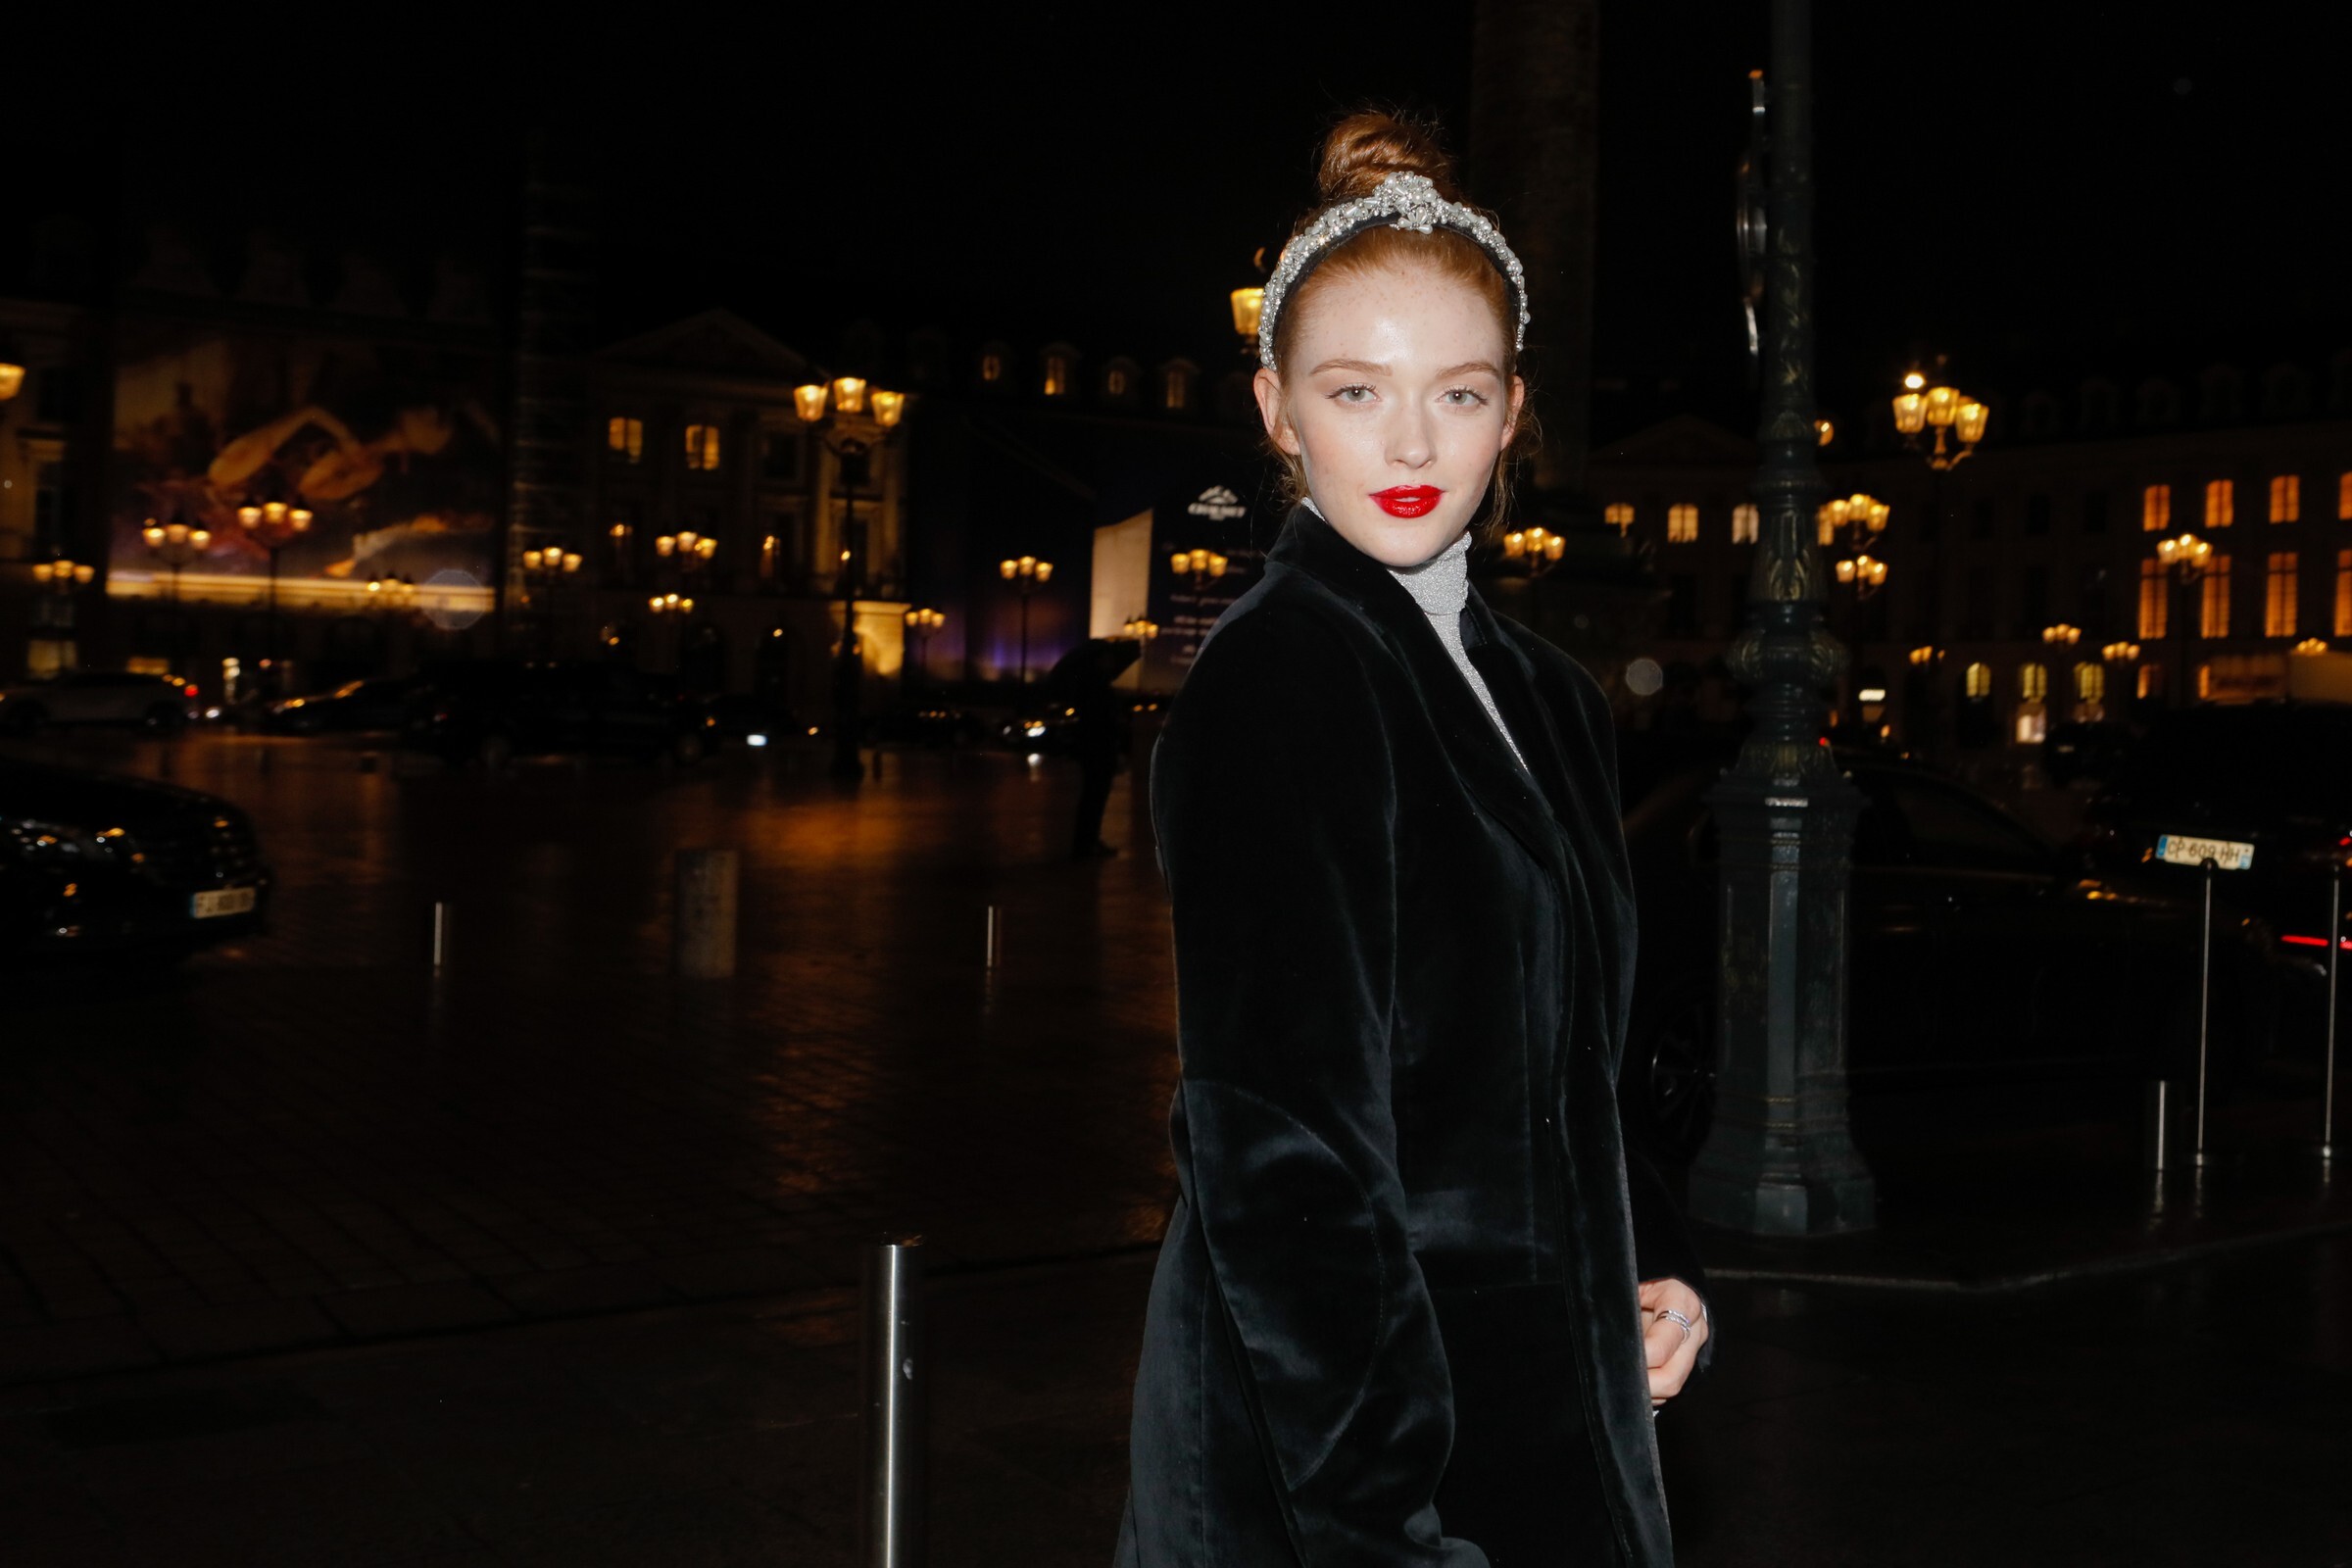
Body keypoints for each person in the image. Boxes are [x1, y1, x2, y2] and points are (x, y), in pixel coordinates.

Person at [1114, 113, 1711, 1567]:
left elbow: (1582, 1058)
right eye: (1355, 390)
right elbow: (1283, 1165)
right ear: (1276, 410)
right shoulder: (1280, 677)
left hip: (1541, 1395)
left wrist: (1656, 1261)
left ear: (1514, 413)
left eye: (1457, 392)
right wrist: (1380, 1527)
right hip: (1355, 1453)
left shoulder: (1549, 695)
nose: (1410, 443)